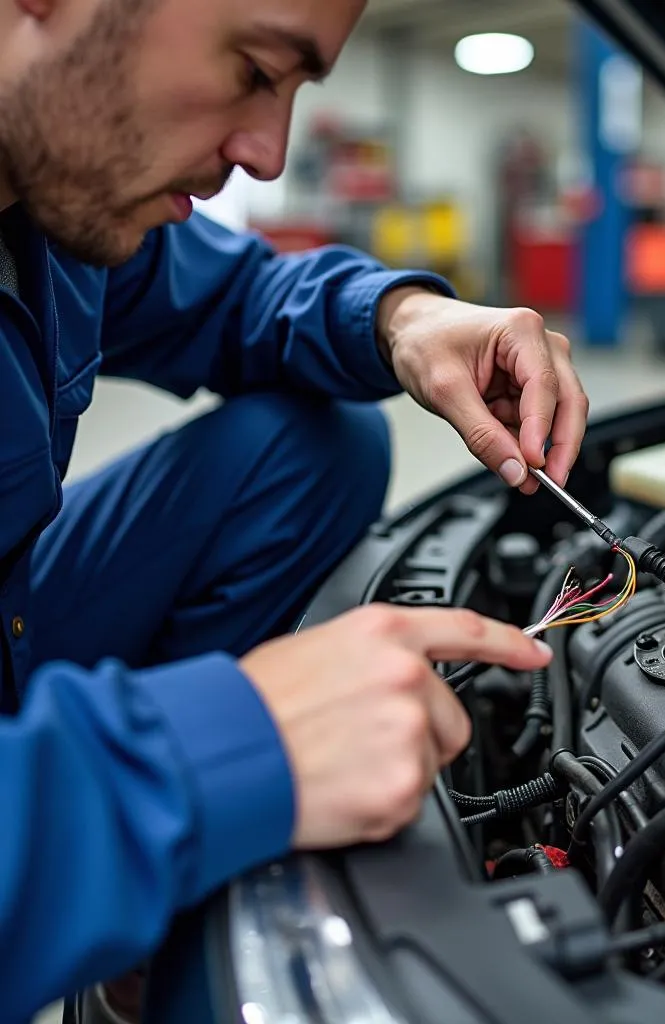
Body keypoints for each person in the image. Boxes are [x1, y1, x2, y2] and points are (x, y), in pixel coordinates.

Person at [0, 0, 591, 1019]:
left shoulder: (49, 214)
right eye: (255, 69)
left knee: (312, 441)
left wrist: (404, 318)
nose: (268, 156)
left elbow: (235, 298)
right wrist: (218, 755)